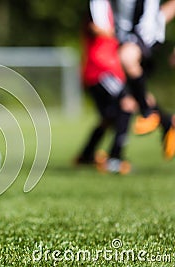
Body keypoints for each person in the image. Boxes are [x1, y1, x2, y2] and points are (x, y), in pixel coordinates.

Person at [75, 0, 135, 174]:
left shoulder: (110, 7)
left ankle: (86, 156)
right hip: (100, 69)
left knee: (108, 117)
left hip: (106, 70)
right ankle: (115, 158)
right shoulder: (97, 5)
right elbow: (95, 27)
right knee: (127, 104)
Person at [113, 0, 175, 160]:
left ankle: (148, 114)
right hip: (123, 40)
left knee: (126, 58)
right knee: (129, 99)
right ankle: (168, 123)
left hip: (145, 36)